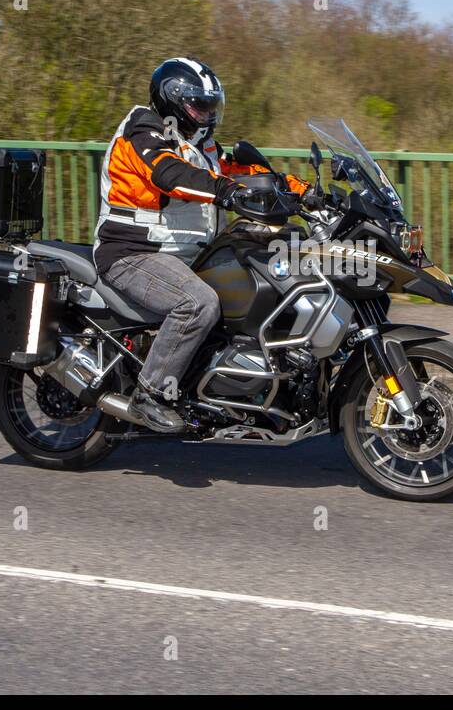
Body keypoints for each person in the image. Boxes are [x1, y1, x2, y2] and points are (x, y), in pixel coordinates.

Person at [92, 57, 308, 433]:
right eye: (198, 104)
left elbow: (241, 172)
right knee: (197, 304)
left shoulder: (201, 146)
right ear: (172, 101)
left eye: (211, 104)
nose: (207, 113)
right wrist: (225, 193)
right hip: (133, 253)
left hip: (187, 255)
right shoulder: (144, 131)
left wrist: (304, 191)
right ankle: (151, 393)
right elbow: (168, 173)